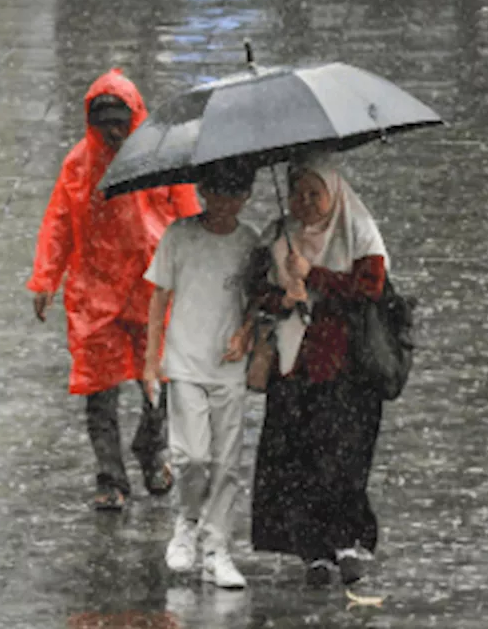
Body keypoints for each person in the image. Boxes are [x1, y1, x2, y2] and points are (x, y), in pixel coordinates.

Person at [27, 68, 201, 511]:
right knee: (99, 388)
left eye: (120, 124)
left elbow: (186, 212)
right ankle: (111, 477)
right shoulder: (80, 165)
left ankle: (151, 448)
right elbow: (60, 223)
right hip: (97, 291)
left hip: (150, 286)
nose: (114, 134)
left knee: (157, 379)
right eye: (106, 125)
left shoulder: (159, 158)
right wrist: (46, 278)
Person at [246, 152, 389, 588]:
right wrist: (284, 296)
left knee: (343, 458)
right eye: (298, 194)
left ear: (333, 194)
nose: (305, 203)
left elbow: (371, 287)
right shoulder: (277, 237)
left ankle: (347, 540)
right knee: (297, 461)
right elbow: (257, 293)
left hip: (347, 368)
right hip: (294, 368)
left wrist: (317, 276)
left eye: (315, 194)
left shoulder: (358, 231)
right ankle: (312, 550)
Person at [144, 158, 261, 590]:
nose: (225, 204)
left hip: (228, 368)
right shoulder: (179, 237)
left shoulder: (250, 243)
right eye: (217, 193)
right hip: (185, 362)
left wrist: (246, 331)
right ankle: (187, 521)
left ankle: (217, 547)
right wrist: (150, 359)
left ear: (246, 197)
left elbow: (257, 299)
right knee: (191, 457)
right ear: (202, 192)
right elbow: (159, 297)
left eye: (235, 195)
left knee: (226, 462)